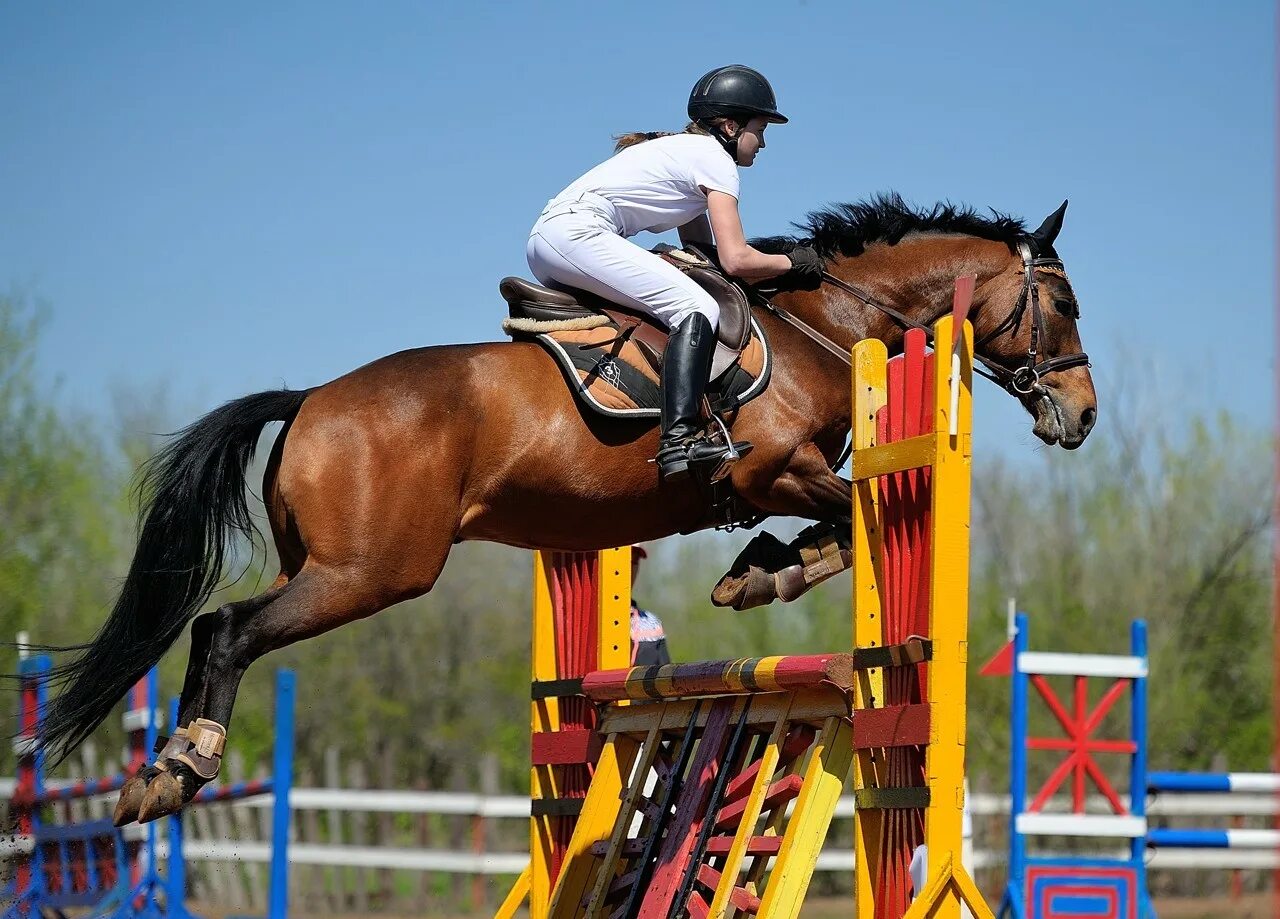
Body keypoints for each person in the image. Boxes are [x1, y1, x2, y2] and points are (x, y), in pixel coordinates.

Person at [526, 65, 825, 482]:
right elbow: (737, 260)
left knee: (687, 298)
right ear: (730, 126)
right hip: (577, 235)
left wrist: (773, 261)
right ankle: (678, 439)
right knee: (695, 306)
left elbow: (706, 255)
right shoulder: (715, 161)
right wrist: (794, 264)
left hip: (557, 239)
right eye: (761, 129)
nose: (764, 143)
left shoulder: (688, 153)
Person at [629, 545, 671, 666]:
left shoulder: (651, 623)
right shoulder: (588, 618)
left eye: (634, 561)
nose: (630, 568)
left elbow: (665, 676)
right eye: (624, 560)